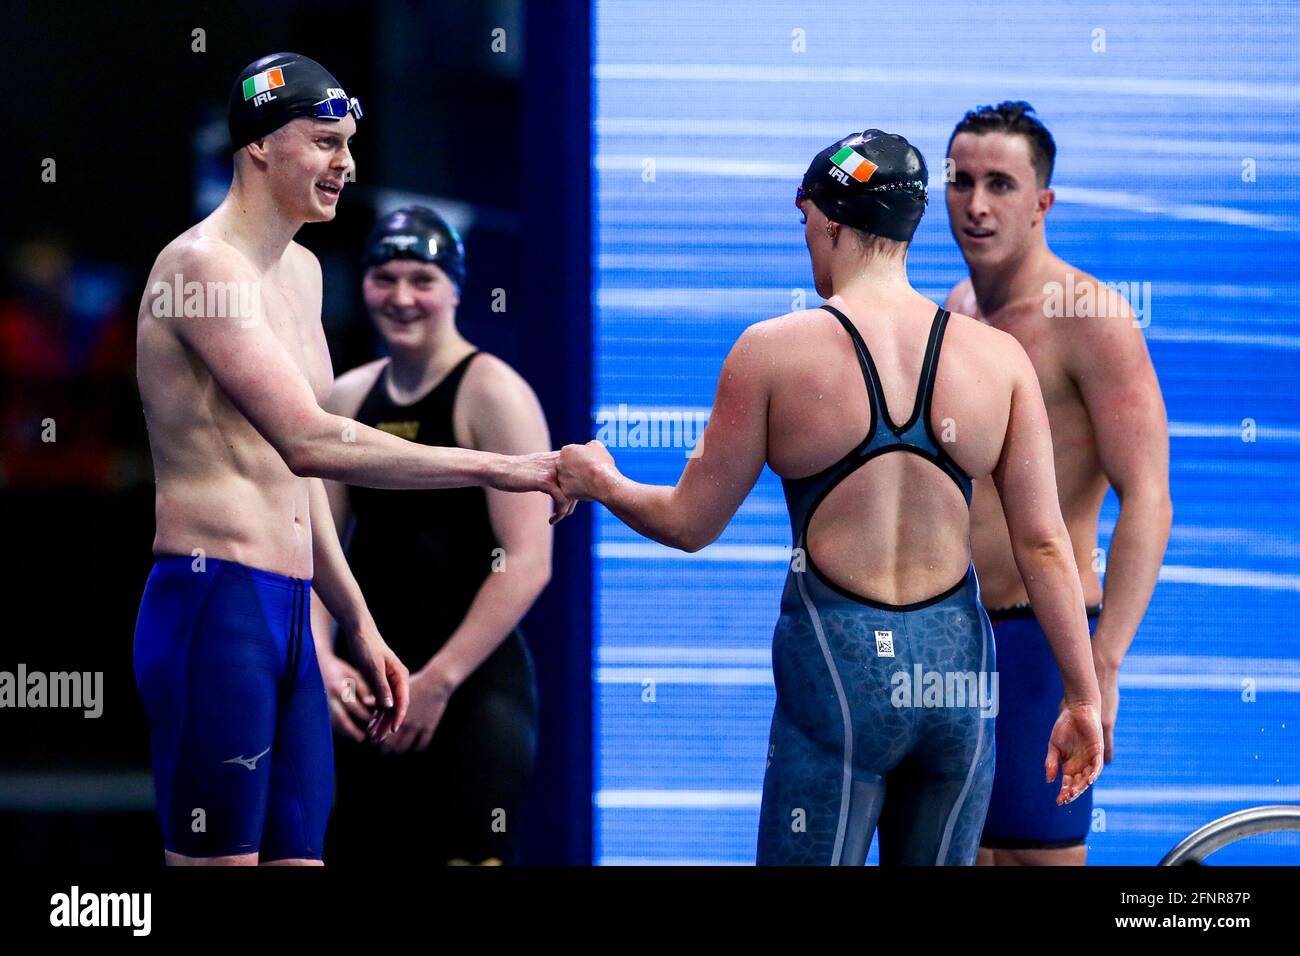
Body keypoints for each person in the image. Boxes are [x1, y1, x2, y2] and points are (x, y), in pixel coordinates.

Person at [558, 129, 1104, 866]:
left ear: (832, 221)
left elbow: (689, 524)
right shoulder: (997, 358)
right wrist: (1081, 696)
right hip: (957, 677)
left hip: (841, 667)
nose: (807, 238)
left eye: (806, 221)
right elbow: (1044, 545)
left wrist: (600, 480)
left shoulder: (772, 352)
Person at [133, 53, 571, 867]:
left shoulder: (300, 272)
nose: (348, 165)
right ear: (260, 145)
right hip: (216, 606)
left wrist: (358, 623)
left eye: (351, 145)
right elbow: (309, 436)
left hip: (296, 614)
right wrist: (497, 466)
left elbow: (305, 479)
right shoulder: (200, 269)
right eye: (327, 142)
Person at [943, 102, 1171, 866]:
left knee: (1034, 859)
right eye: (962, 181)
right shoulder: (956, 310)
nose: (977, 205)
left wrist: (1102, 663)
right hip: (948, 638)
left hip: (1041, 642)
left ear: (1043, 203)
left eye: (1001, 185)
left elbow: (1148, 497)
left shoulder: (1092, 319)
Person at [313, 207, 551, 866]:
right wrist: (324, 662)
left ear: (454, 287)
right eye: (384, 277)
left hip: (473, 689)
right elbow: (319, 551)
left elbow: (527, 563)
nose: (402, 297)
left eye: (421, 278)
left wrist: (439, 682)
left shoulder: (494, 394)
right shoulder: (345, 400)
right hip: (367, 691)